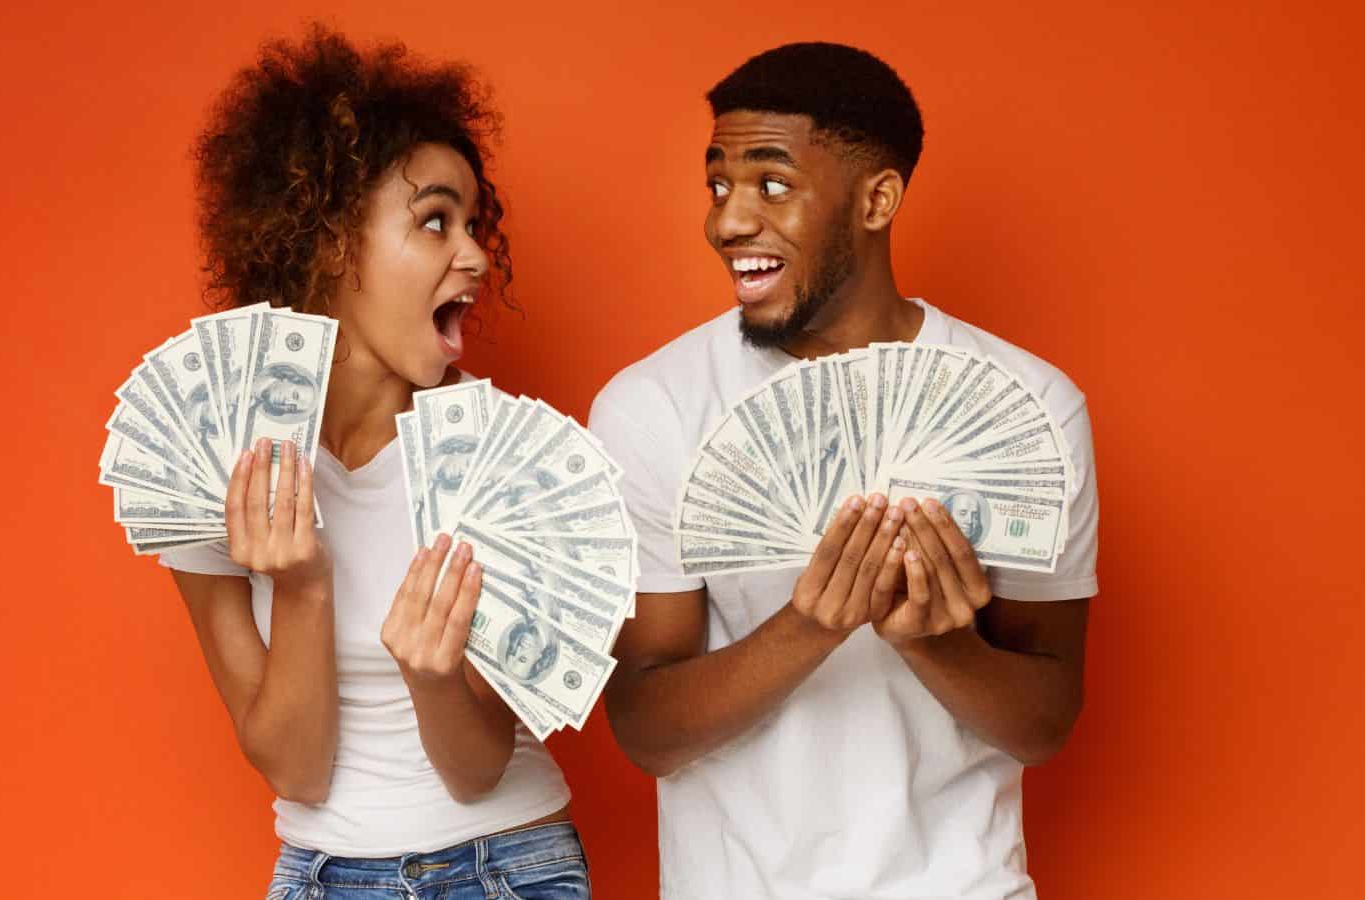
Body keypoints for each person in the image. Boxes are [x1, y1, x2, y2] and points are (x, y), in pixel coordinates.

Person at [588, 42, 1098, 899]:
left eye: (771, 183)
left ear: (877, 199)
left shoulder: (1034, 407)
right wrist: (811, 625)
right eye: (717, 184)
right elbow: (647, 732)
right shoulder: (653, 407)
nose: (727, 222)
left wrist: (933, 641)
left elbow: (1043, 723)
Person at [159, 26, 589, 899]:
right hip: (318, 875)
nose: (474, 254)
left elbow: (476, 769)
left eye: (474, 224)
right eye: (435, 221)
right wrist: (304, 587)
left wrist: (435, 679)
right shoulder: (205, 452)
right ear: (329, 244)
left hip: (504, 867)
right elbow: (295, 768)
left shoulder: (504, 459)